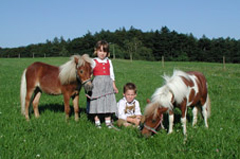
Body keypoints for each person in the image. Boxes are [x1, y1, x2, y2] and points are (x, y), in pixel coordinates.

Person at [88, 40, 118, 129]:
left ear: (107, 53)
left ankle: (108, 122)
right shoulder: (93, 61)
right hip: (97, 84)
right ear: (96, 51)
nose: (102, 53)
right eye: (100, 50)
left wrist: (114, 86)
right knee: (96, 102)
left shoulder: (109, 61)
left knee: (107, 102)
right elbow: (89, 73)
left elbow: (112, 75)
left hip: (108, 84)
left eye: (104, 51)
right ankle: (97, 121)